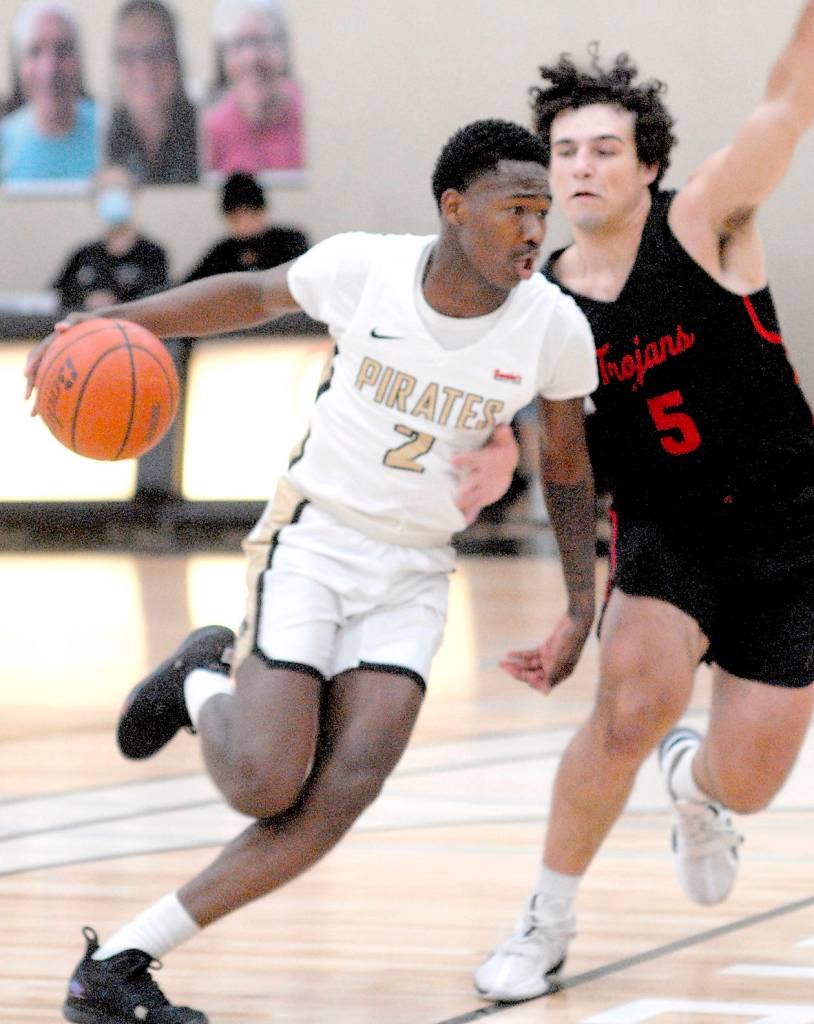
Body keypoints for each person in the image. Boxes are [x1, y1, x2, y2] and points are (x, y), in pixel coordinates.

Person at [26, 118, 599, 1024]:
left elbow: (566, 464)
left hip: (412, 572)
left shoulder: (553, 326)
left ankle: (121, 964)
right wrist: (116, 320)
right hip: (317, 539)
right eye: (515, 209)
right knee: (262, 782)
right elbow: (251, 294)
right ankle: (202, 679)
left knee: (339, 794)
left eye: (543, 212)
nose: (534, 230)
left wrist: (579, 602)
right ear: (454, 209)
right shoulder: (367, 269)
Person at [474, 10, 814, 1004]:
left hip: (789, 529)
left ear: (647, 167)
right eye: (564, 151)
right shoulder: (536, 309)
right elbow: (545, 459)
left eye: (604, 150)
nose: (581, 167)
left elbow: (789, 101)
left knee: (751, 776)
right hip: (667, 532)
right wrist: (574, 597)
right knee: (622, 710)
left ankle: (700, 792)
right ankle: (543, 920)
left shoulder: (704, 219)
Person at [0, 0, 98, 184]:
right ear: (18, 64)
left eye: (62, 50)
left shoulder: (113, 135)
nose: (49, 69)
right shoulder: (4, 146)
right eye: (34, 52)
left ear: (80, 60)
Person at [201, 0, 304, 175]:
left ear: (283, 49)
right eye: (238, 43)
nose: (251, 58)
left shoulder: (309, 117)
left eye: (261, 41)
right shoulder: (210, 132)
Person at [51, 164, 169, 311]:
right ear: (94, 200)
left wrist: (116, 303)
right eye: (104, 190)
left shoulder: (153, 254)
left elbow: (159, 303)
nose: (112, 195)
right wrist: (86, 301)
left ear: (134, 195)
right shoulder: (82, 255)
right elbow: (57, 298)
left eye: (118, 188)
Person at [105, 0, 199, 185]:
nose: (145, 68)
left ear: (178, 59)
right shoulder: (100, 134)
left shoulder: (205, 131)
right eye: (130, 54)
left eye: (158, 52)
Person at [181, 170, 308, 282]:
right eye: (236, 218)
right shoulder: (221, 253)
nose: (244, 224)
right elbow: (188, 287)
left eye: (250, 215)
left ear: (262, 212)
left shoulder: (290, 242)